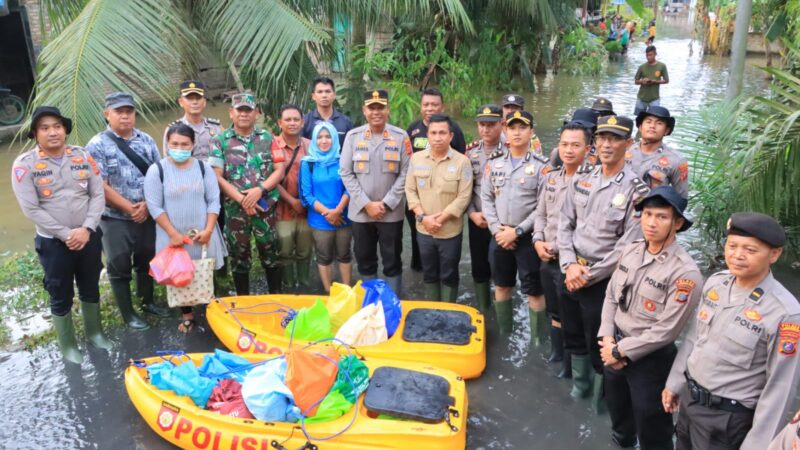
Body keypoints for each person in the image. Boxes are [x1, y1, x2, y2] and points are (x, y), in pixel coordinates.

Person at [663, 212, 800, 450]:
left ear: (774, 254)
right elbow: (694, 338)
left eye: (750, 250)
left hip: (727, 420)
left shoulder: (784, 313)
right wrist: (675, 382)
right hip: (690, 401)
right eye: (732, 245)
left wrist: (756, 446)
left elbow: (780, 388)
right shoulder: (717, 283)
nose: (737, 255)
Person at [598, 186, 702, 449]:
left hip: (650, 361)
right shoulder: (631, 250)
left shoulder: (684, 273)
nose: (651, 223)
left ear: (677, 223)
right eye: (647, 214)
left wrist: (620, 351)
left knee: (652, 428)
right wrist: (607, 338)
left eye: (661, 217)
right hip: (613, 348)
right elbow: (611, 296)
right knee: (619, 416)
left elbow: (666, 331)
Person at [558, 115, 649, 413]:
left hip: (604, 282)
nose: (607, 144)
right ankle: (579, 388)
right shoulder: (583, 178)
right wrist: (570, 265)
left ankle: (599, 403)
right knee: (572, 331)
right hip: (572, 271)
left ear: (629, 144)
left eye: (615, 138)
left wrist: (588, 275)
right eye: (602, 138)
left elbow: (628, 247)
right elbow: (565, 223)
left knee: (600, 340)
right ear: (595, 142)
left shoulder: (637, 191)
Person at [11, 106, 112, 363]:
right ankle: (68, 346)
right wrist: (67, 234)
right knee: (60, 291)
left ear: (65, 129)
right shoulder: (25, 165)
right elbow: (31, 208)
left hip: (89, 236)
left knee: (90, 284)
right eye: (45, 128)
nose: (52, 132)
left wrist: (87, 228)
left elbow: (97, 194)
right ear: (35, 133)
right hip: (53, 242)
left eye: (57, 126)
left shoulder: (82, 156)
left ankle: (95, 333)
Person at [87, 92, 169, 330]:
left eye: (129, 111)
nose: (125, 116)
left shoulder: (146, 140)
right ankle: (128, 313)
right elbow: (98, 184)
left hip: (146, 212)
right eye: (119, 112)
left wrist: (146, 204)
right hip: (114, 218)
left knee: (146, 258)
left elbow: (159, 174)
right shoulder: (97, 144)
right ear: (107, 114)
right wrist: (129, 208)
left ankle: (148, 301)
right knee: (118, 264)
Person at [144, 123, 227, 332]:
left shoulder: (203, 168)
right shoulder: (158, 170)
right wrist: (172, 234)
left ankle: (212, 310)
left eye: (184, 144)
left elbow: (213, 200)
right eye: (175, 144)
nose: (179, 148)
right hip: (171, 235)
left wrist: (208, 230)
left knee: (205, 269)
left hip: (203, 233)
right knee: (179, 274)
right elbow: (154, 205)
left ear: (193, 144)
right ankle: (187, 315)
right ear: (167, 144)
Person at [481, 110, 548, 344]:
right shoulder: (494, 163)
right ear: (505, 131)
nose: (517, 132)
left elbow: (543, 207)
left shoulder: (542, 167)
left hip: (528, 238)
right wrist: (496, 229)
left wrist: (517, 231)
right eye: (512, 127)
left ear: (531, 132)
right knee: (501, 285)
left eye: (522, 127)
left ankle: (538, 342)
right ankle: (505, 335)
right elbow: (486, 198)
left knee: (535, 291)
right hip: (499, 235)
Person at [208, 92, 285, 295]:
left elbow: (279, 170)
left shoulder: (268, 138)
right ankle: (243, 301)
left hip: (265, 208)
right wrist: (242, 199)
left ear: (256, 113)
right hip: (236, 210)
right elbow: (217, 177)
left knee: (271, 253)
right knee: (239, 257)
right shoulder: (220, 141)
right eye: (239, 110)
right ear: (231, 113)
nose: (244, 114)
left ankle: (276, 297)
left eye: (248, 110)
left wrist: (259, 190)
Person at [533, 121, 592, 376]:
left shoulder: (591, 183)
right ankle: (557, 354)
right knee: (554, 310)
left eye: (575, 145)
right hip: (547, 255)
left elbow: (586, 228)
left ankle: (573, 366)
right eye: (564, 144)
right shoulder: (551, 178)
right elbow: (540, 214)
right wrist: (537, 241)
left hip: (574, 262)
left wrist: (559, 248)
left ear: (588, 149)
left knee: (573, 316)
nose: (569, 150)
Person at [339, 89, 411, 296]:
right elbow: (345, 171)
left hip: (391, 213)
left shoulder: (400, 136)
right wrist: (366, 204)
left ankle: (392, 304)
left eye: (381, 107)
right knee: (365, 259)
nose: (376, 112)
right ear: (364, 110)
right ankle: (370, 304)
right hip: (361, 214)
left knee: (392, 259)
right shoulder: (353, 137)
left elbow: (407, 171)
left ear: (388, 110)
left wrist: (387, 203)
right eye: (372, 108)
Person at [405, 114, 472, 301]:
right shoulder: (416, 159)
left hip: (450, 232)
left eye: (442, 133)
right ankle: (432, 309)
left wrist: (440, 219)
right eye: (433, 133)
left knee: (449, 275)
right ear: (427, 135)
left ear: (451, 136)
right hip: (424, 230)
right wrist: (423, 218)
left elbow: (464, 197)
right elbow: (410, 191)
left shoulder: (462, 162)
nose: (437, 137)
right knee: (429, 273)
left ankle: (449, 310)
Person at [405, 88, 467, 272]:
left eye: (434, 104)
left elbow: (462, 160)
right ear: (420, 106)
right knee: (419, 236)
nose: (430, 108)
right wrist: (420, 212)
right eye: (426, 104)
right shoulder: (413, 129)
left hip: (445, 196)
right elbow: (407, 161)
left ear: (442, 106)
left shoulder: (453, 129)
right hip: (419, 196)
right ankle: (420, 271)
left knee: (447, 245)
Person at [300, 122, 352, 293]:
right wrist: (328, 213)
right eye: (320, 137)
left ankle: (346, 291)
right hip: (320, 220)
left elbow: (350, 188)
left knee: (344, 254)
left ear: (334, 138)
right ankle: (329, 292)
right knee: (324, 256)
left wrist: (337, 211)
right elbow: (307, 194)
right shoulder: (308, 163)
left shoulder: (343, 159)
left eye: (328, 136)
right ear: (314, 140)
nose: (324, 141)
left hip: (343, 217)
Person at [465, 104, 506, 312]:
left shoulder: (513, 151)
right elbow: (465, 190)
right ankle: (484, 311)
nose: (486, 129)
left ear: (502, 124)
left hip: (504, 225)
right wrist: (472, 214)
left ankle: (503, 316)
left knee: (502, 272)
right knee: (479, 267)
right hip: (478, 221)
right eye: (482, 125)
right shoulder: (470, 153)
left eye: (491, 125)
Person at [274, 104, 312, 291]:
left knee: (305, 251)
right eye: (288, 119)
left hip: (306, 210)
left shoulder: (310, 145)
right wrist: (292, 201)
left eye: (296, 119)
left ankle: (304, 285)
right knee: (285, 250)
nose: (292, 123)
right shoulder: (272, 145)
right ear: (279, 123)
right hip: (283, 209)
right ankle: (288, 286)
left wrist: (304, 203)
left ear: (302, 122)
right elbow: (270, 179)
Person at [629, 105, 688, 197]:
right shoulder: (624, 151)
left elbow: (681, 197)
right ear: (640, 127)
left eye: (659, 123)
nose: (652, 126)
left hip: (649, 209)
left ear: (666, 130)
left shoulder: (677, 160)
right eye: (648, 122)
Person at [161, 80, 223, 161]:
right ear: (181, 102)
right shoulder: (172, 130)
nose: (194, 102)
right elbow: (168, 160)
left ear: (204, 102)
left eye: (198, 98)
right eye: (189, 98)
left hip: (214, 172)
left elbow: (226, 154)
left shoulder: (216, 127)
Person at [301, 77, 354, 145]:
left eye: (328, 91)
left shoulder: (345, 121)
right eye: (320, 92)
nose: (324, 95)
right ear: (313, 96)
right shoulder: (305, 121)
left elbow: (351, 148)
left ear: (334, 95)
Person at [634, 46, 669, 116]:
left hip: (654, 98)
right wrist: (642, 81)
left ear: (655, 54)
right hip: (641, 98)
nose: (648, 57)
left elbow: (666, 80)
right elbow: (636, 81)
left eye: (650, 55)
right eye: (647, 55)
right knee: (639, 118)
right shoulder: (642, 67)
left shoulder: (662, 66)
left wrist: (654, 82)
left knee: (654, 117)